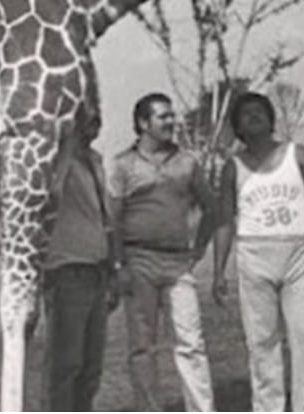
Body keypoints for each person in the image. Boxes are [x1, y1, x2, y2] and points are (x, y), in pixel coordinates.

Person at [212, 92, 304, 412]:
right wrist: (218, 271)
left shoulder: (298, 155)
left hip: (298, 252)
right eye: (245, 114)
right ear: (237, 126)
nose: (254, 117)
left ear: (270, 119)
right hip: (254, 255)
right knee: (262, 341)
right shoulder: (232, 167)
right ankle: (269, 407)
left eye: (259, 112)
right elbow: (224, 221)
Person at [109, 92, 217, 411]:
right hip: (137, 260)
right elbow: (112, 220)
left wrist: (198, 250)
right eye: (163, 117)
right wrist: (118, 265)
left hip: (177, 264)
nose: (172, 121)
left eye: (172, 115)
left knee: (191, 343)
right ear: (143, 123)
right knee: (142, 346)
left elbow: (212, 208)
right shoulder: (122, 165)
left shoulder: (187, 162)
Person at [42, 110, 118, 411]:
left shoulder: (96, 161)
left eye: (97, 117)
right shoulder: (56, 159)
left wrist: (112, 269)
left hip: (97, 270)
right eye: (85, 116)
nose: (94, 122)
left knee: (91, 367)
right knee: (65, 365)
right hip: (67, 271)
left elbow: (106, 217)